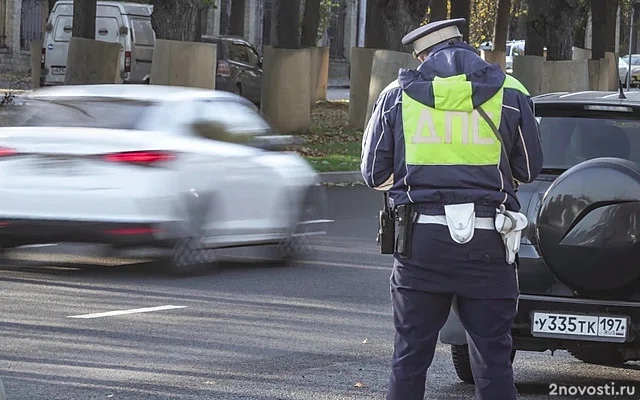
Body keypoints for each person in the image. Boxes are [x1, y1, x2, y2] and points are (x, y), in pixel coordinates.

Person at [360, 18, 543, 400]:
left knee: (409, 357)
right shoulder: (511, 92)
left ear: (424, 55)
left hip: (421, 243)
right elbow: (527, 169)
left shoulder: (397, 94)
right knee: (493, 357)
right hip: (488, 242)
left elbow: (374, 174)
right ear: (465, 47)